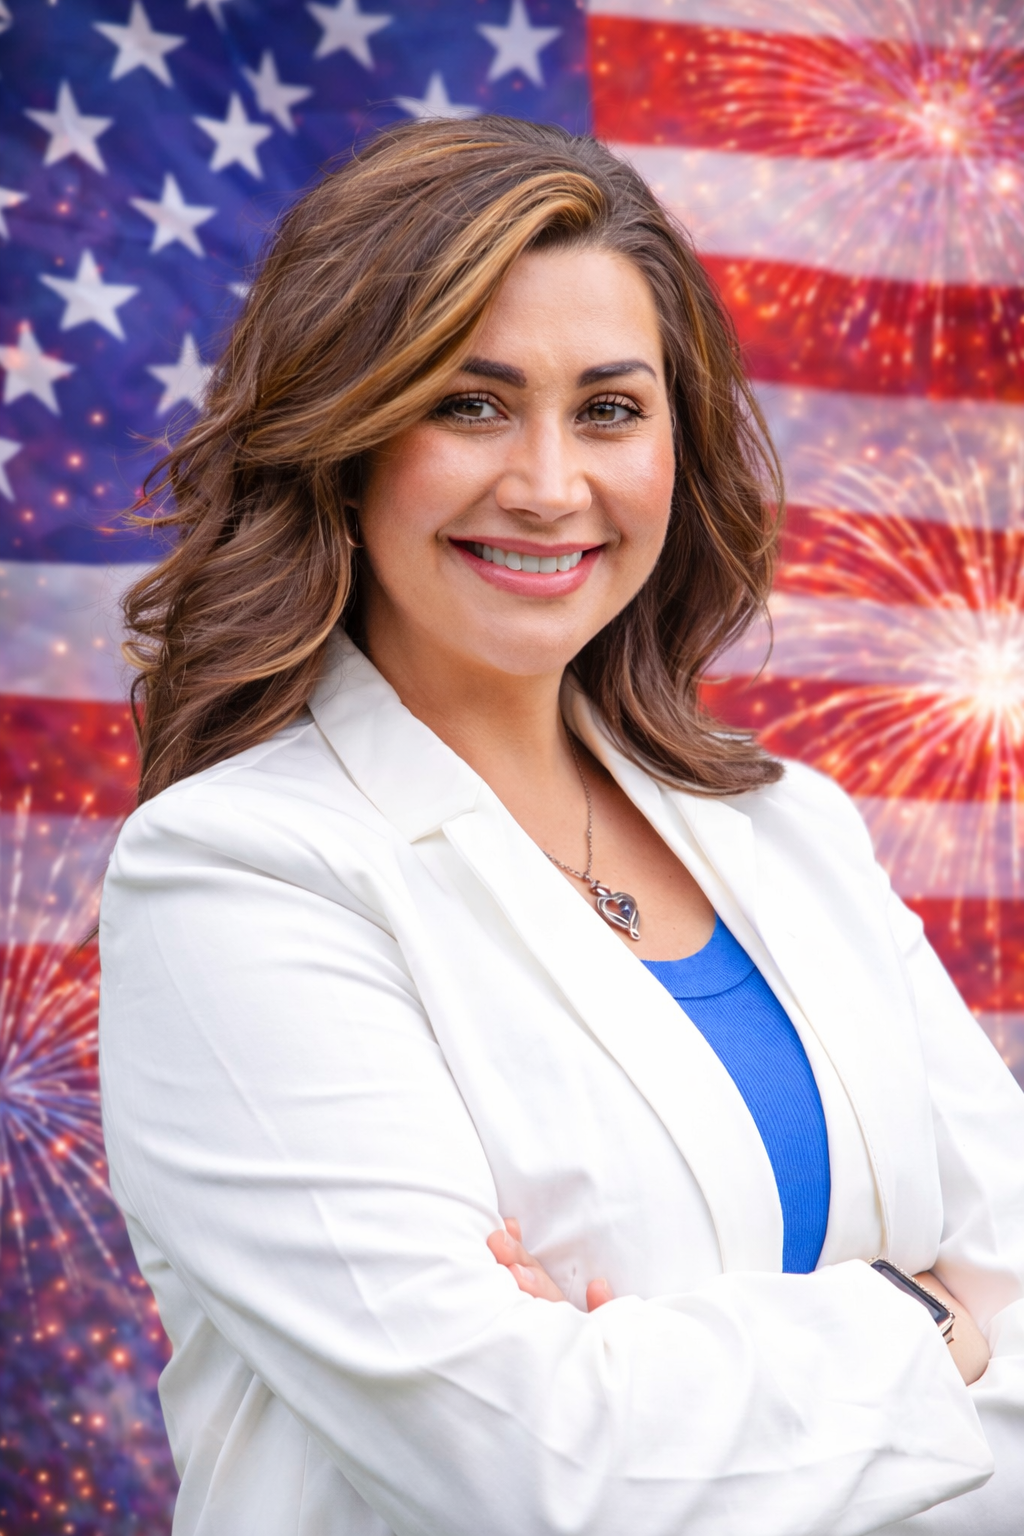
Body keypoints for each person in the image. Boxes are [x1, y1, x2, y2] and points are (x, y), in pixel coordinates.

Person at [99, 117, 1024, 1536]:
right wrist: (925, 1322)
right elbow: (536, 1475)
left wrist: (650, 1380)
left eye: (608, 408)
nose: (547, 485)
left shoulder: (793, 832)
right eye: (469, 405)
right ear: (343, 445)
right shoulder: (234, 877)